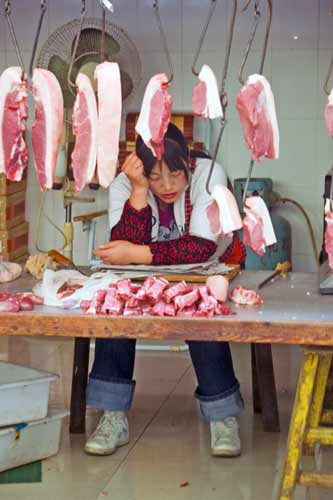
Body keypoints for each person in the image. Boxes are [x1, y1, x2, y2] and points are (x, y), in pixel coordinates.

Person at [85, 123, 245, 458]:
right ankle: (113, 415)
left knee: (200, 314)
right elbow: (125, 241)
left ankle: (222, 416)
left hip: (204, 272)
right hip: (142, 276)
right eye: (156, 177)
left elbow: (201, 246)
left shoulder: (208, 174)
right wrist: (140, 191)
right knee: (119, 308)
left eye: (175, 173)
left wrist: (138, 255)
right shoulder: (124, 184)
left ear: (188, 161)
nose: (168, 185)